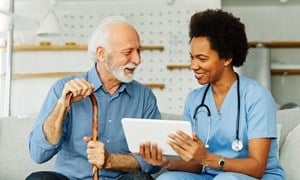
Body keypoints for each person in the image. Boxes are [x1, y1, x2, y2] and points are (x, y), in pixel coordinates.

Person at [139, 9, 285, 180]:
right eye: (192, 57)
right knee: (167, 178)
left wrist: (207, 158)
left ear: (227, 58)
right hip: (211, 176)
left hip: (255, 177)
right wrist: (165, 162)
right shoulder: (194, 99)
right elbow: (196, 164)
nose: (193, 66)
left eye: (202, 59)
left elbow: (257, 167)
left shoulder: (256, 96)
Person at [26, 16, 161, 180]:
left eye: (138, 51)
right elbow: (38, 154)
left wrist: (111, 160)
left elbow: (154, 163)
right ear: (101, 54)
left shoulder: (144, 97)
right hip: (70, 178)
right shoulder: (63, 88)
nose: (137, 60)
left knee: (140, 179)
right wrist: (62, 106)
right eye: (128, 52)